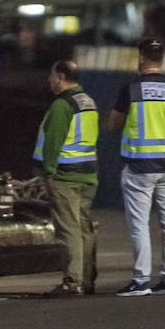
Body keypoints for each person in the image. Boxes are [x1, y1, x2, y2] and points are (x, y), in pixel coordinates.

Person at [107, 37, 165, 296]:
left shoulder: (130, 89)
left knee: (139, 223)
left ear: (141, 57)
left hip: (140, 166)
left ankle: (141, 280)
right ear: (161, 59)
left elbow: (114, 124)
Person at [32, 60, 99, 296]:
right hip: (87, 174)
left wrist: (47, 172)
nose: (49, 80)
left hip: (65, 175)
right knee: (84, 228)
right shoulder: (87, 101)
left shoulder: (62, 105)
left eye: (51, 75)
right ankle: (87, 279)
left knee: (68, 229)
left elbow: (53, 141)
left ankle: (72, 281)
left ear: (61, 76)